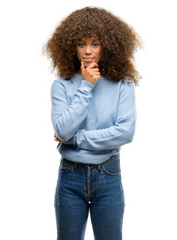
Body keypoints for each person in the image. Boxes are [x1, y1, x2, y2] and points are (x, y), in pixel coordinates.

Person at [45, 7, 140, 240]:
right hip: (70, 176)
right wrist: (86, 86)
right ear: (71, 46)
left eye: (95, 43)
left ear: (106, 45)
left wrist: (77, 139)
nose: (88, 51)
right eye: (81, 44)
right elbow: (62, 129)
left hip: (108, 174)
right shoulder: (61, 86)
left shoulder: (122, 84)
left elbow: (125, 132)